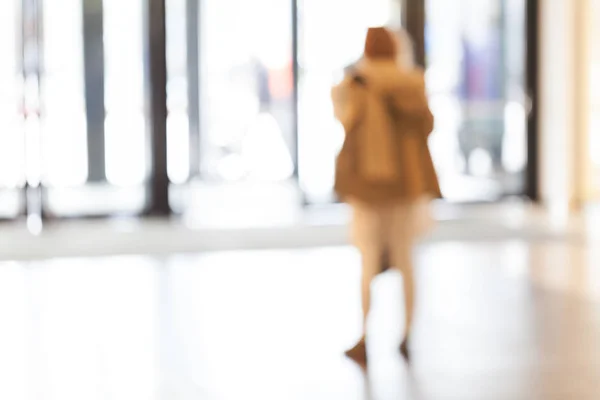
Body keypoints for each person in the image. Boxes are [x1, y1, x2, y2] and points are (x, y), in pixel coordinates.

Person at [331, 27, 441, 364]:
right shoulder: (409, 83)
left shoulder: (359, 84)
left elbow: (344, 118)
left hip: (372, 189)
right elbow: (426, 126)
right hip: (401, 188)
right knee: (405, 261)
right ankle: (404, 334)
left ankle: (369, 335)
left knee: (370, 263)